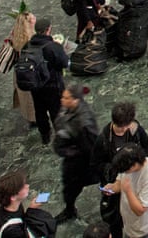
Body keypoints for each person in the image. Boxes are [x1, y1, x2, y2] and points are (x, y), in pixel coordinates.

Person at [92, 103, 148, 238]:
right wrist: (113, 170)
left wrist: (134, 162)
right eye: (120, 127)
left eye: (126, 126)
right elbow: (96, 163)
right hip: (113, 182)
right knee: (114, 218)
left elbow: (147, 148)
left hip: (133, 179)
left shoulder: (135, 130)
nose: (123, 130)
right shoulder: (103, 140)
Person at [53, 83, 99, 223]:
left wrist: (71, 152)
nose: (62, 100)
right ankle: (69, 209)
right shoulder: (68, 109)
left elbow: (91, 146)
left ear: (76, 100)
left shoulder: (84, 122)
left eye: (66, 98)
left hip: (79, 163)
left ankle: (70, 210)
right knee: (69, 188)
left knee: (72, 187)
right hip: (72, 159)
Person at [24, 16, 69, 144]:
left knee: (40, 111)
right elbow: (64, 63)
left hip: (35, 85)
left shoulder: (27, 46)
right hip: (53, 85)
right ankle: (61, 137)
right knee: (56, 112)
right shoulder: (53, 46)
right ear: (48, 30)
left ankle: (45, 135)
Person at [104, 144, 148, 238]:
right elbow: (120, 183)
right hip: (129, 225)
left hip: (145, 230)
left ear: (134, 165)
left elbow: (140, 210)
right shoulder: (126, 163)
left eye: (126, 171)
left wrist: (128, 190)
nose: (124, 173)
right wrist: (112, 188)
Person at [0, 170, 53, 238]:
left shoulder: (14, 205)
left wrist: (31, 208)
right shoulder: (12, 231)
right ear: (13, 197)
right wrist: (32, 212)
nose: (28, 186)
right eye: (23, 187)